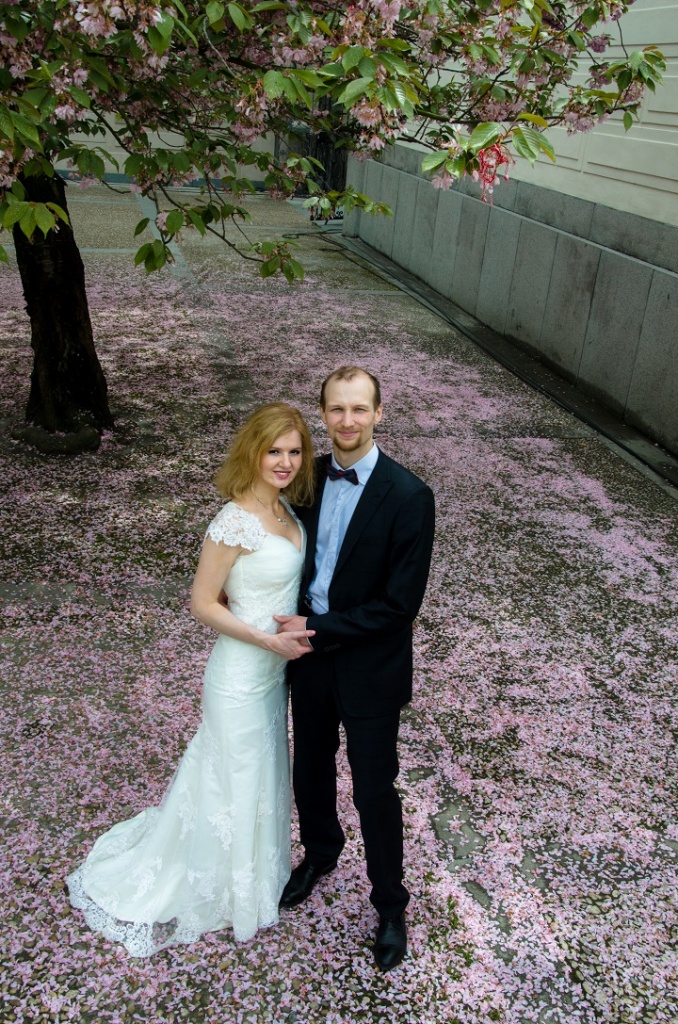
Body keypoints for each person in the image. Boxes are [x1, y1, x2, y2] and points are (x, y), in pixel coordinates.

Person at [67, 403, 316, 956]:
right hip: (239, 674)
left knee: (259, 771)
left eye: (295, 451)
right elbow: (202, 603)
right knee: (230, 774)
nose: (284, 462)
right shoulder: (233, 519)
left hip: (273, 676)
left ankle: (250, 877)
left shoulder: (287, 511)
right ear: (252, 451)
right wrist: (267, 640)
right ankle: (213, 885)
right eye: (274, 451)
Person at [274, 367, 435, 971]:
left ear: (378, 413)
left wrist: (318, 627)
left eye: (359, 409)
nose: (347, 421)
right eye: (337, 409)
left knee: (373, 790)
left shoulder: (410, 495)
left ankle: (390, 904)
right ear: (323, 414)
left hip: (369, 667)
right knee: (310, 770)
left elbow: (399, 606)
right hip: (308, 661)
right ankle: (320, 852)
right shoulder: (305, 478)